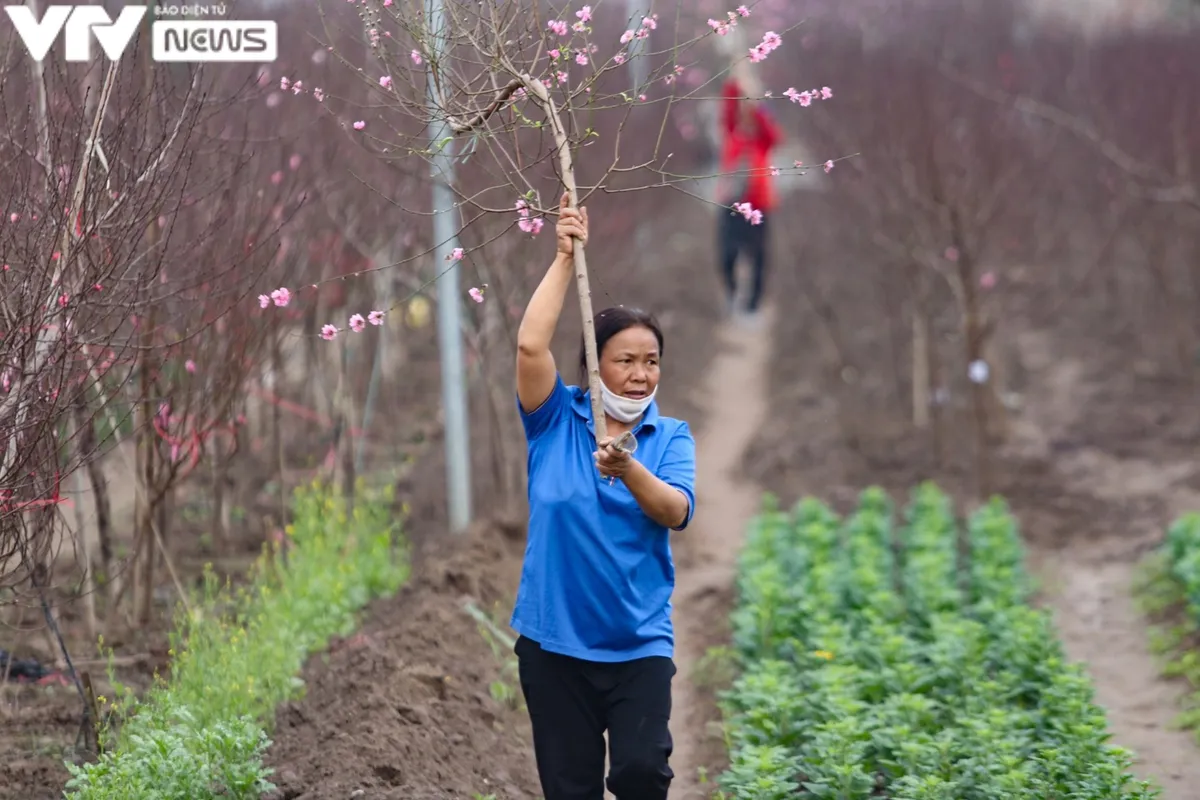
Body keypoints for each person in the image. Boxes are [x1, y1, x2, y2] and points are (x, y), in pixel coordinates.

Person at [511, 193, 697, 800]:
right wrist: (565, 257)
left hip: (637, 643)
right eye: (626, 361)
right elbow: (529, 348)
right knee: (572, 790)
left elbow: (675, 510)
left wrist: (629, 468)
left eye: (652, 362)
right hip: (554, 646)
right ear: (595, 364)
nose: (642, 374)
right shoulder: (555, 421)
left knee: (643, 775)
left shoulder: (667, 436)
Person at [715, 75, 782, 322]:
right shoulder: (733, 135)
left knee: (759, 256)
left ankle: (754, 304)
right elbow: (728, 107)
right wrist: (737, 80)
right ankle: (732, 293)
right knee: (727, 254)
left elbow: (773, 134)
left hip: (759, 204)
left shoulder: (762, 141)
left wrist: (756, 103)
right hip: (730, 203)